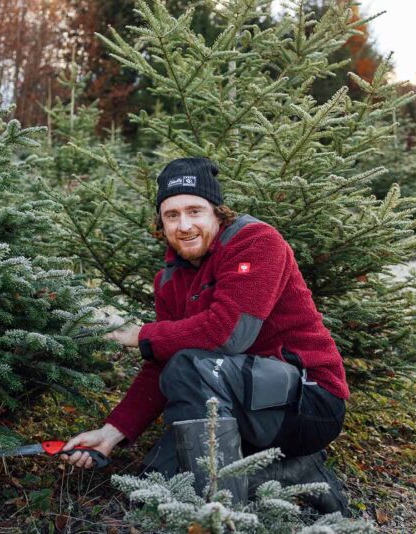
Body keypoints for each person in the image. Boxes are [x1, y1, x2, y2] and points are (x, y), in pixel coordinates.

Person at [60, 157, 350, 514]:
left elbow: (228, 335)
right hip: (243, 400)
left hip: (310, 402)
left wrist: (136, 334)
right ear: (160, 223)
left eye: (195, 210)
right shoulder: (168, 281)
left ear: (218, 213)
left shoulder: (256, 242)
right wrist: (111, 432)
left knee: (189, 369)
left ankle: (221, 516)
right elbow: (161, 363)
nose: (184, 225)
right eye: (172, 215)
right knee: (158, 481)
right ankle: (290, 470)